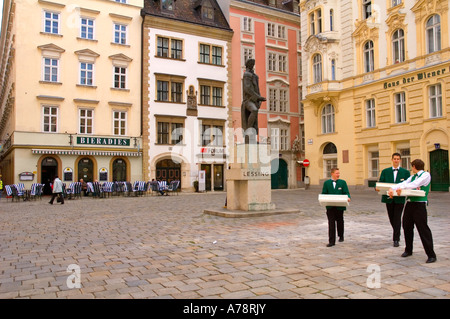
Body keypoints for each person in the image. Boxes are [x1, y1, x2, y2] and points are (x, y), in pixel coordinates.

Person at [388, 159, 437, 263]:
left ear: (414, 166)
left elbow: (415, 184)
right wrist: (392, 188)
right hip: (410, 203)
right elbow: (405, 182)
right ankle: (408, 249)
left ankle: (431, 254)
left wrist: (402, 187)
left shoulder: (425, 175)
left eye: (412, 166)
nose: (411, 168)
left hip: (419, 205)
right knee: (407, 226)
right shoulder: (413, 176)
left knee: (423, 229)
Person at [376, 152, 410, 247]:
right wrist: (377, 187)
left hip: (399, 199)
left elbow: (408, 185)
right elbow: (380, 183)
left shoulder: (405, 172)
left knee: (397, 218)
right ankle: (396, 232)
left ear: (400, 160)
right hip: (388, 198)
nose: (396, 160)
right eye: (394, 159)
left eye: (397, 159)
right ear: (392, 160)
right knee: (391, 218)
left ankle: (396, 239)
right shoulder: (385, 171)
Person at [321, 168, 351, 247]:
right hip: (330, 206)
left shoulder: (342, 182)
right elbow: (324, 193)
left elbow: (346, 192)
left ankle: (341, 235)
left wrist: (348, 197)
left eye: (339, 173)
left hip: (339, 206)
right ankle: (331, 241)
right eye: (336, 173)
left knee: (340, 221)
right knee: (331, 223)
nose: (338, 175)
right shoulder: (326, 183)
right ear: (332, 174)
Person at [241, 58, 266, 142]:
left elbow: (257, 88)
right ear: (248, 65)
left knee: (255, 120)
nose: (252, 66)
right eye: (251, 65)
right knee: (254, 110)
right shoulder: (247, 74)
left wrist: (259, 99)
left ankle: (251, 134)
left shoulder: (255, 76)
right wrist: (258, 97)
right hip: (248, 100)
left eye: (253, 65)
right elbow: (247, 88)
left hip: (254, 100)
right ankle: (248, 131)